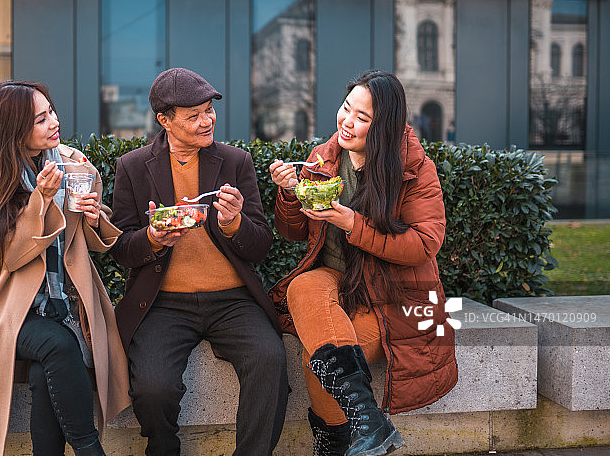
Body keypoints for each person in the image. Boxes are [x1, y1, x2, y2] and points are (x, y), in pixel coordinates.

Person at [268, 70, 457, 456]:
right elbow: (293, 232)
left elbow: (425, 243)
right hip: (337, 277)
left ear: (384, 126)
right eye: (345, 108)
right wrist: (288, 195)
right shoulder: (323, 157)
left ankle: (335, 442)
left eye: (362, 118)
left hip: (394, 296)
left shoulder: (413, 169)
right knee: (302, 285)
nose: (346, 122)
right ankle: (370, 423)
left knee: (315, 359)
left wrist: (353, 223)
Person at [110, 68, 289, 455]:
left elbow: (260, 246)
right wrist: (153, 239)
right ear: (164, 120)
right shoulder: (132, 166)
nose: (207, 121)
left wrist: (235, 221)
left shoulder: (235, 161)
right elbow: (121, 247)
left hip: (233, 300)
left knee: (269, 360)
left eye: (209, 111)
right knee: (153, 387)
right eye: (193, 116)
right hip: (163, 303)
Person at [0, 81, 131, 456]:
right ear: (13, 129)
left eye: (51, 111)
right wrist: (42, 200)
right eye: (40, 118)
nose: (54, 122)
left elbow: (94, 242)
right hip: (8, 310)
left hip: (66, 301)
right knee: (58, 345)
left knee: (43, 370)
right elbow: (5, 256)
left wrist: (96, 216)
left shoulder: (74, 163)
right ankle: (89, 450)